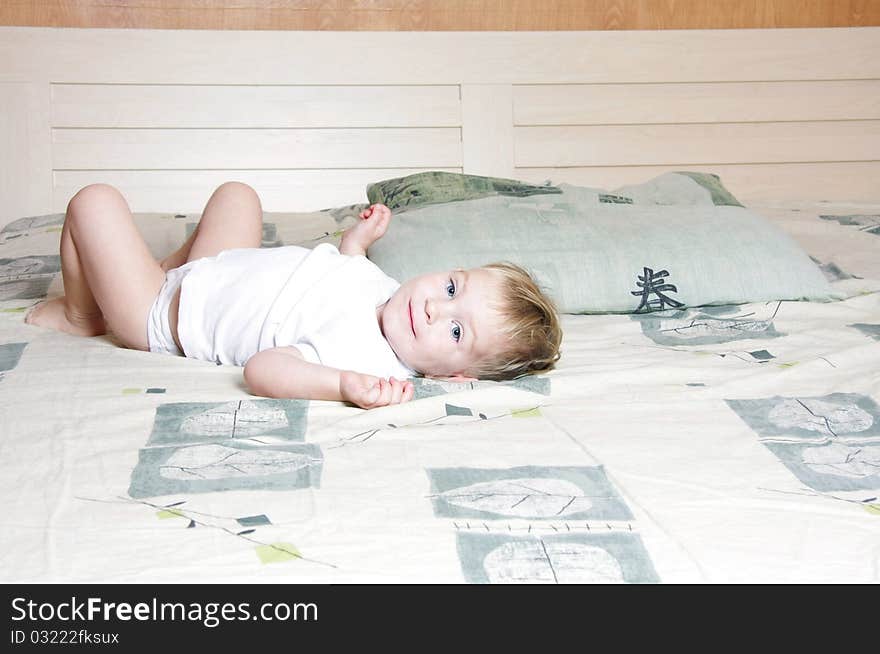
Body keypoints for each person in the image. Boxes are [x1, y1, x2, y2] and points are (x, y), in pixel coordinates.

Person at [25, 182, 562, 408]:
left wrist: (341, 386)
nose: (434, 307)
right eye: (451, 288)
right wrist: (356, 242)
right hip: (207, 271)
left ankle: (82, 313)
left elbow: (264, 369)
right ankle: (157, 265)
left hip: (161, 315)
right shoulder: (391, 295)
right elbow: (343, 276)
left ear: (454, 377)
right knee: (239, 196)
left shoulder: (366, 360)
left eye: (455, 329)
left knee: (93, 202)